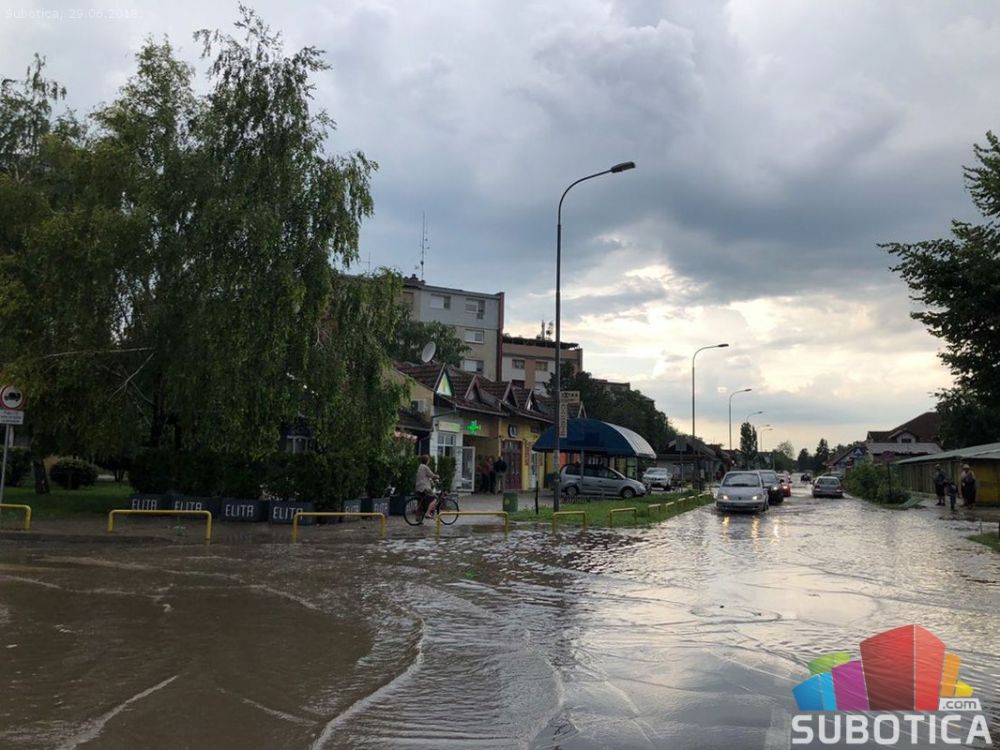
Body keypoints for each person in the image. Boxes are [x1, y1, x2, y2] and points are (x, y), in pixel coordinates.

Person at [414, 454, 439, 521]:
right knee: (435, 499)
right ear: (427, 461)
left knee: (422, 502)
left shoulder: (420, 466)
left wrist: (431, 481)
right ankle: (427, 513)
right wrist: (437, 476)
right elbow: (432, 475)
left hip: (418, 487)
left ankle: (419, 518)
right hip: (424, 488)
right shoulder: (425, 467)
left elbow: (425, 477)